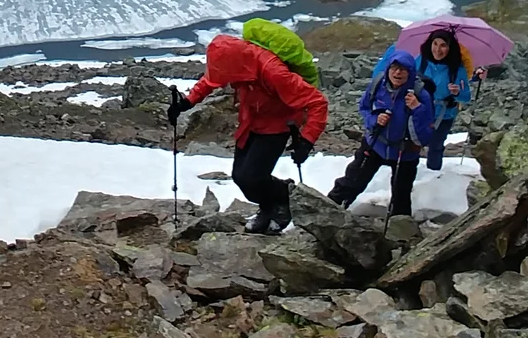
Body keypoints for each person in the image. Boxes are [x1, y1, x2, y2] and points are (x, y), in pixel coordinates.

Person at [169, 33, 329, 234]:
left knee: (252, 177)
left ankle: (282, 198)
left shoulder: (273, 71)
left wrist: (306, 140)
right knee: (240, 176)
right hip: (250, 121)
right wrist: (187, 102)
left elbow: (317, 103)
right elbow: (211, 80)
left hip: (277, 125)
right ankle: (269, 206)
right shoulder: (235, 61)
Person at [326, 51, 434, 216]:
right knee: (352, 182)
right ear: (388, 68)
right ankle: (327, 212)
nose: (398, 73)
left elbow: (425, 136)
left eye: (403, 69)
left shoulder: (421, 95)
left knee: (401, 196)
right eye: (394, 68)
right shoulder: (377, 85)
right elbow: (364, 108)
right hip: (375, 144)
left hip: (404, 153)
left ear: (410, 72)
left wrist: (417, 109)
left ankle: (400, 231)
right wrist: (375, 120)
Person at [416, 29, 477, 170]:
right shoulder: (421, 61)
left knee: (435, 146)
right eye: (435, 43)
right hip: (419, 110)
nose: (438, 49)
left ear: (450, 48)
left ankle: (433, 174)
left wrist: (456, 93)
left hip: (444, 114)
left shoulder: (457, 69)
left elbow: (466, 96)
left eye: (443, 45)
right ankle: (411, 173)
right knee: (411, 143)